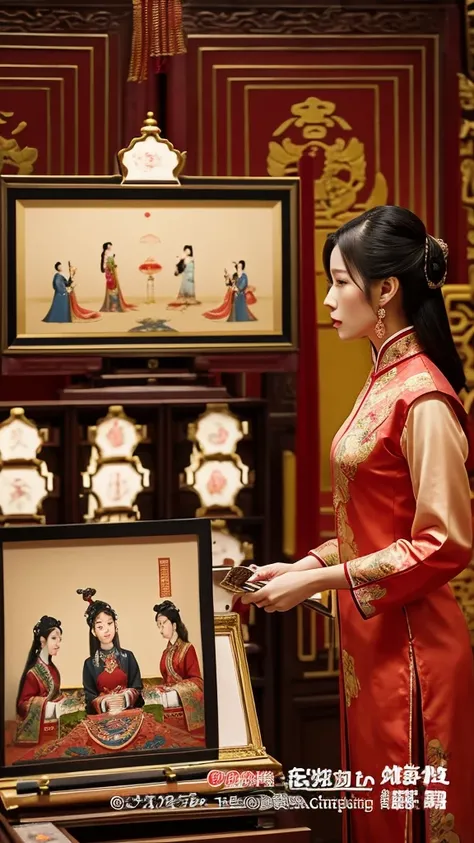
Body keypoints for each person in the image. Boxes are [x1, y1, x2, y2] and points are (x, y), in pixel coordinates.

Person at [242, 206, 474, 843]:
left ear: (386, 289)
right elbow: (370, 525)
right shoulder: (382, 382)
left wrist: (319, 583)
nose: (328, 298)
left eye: (340, 281)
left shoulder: (422, 396)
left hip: (415, 656)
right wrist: (305, 568)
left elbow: (443, 543)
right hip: (372, 649)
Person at [26, 589, 204, 760]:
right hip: (102, 719)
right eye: (100, 626)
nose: (106, 629)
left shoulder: (128, 657)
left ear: (116, 626)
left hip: (129, 714)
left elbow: (137, 687)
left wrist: (125, 698)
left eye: (110, 623)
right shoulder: (89, 664)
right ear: (93, 632)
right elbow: (90, 697)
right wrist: (105, 702)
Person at [151, 601, 204, 734]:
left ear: (174, 625)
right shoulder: (166, 652)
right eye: (159, 625)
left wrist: (175, 690)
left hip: (181, 698)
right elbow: (165, 679)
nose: (161, 629)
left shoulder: (187, 648)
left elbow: (197, 681)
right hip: (168, 697)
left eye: (163, 623)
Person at [15, 616, 65, 745]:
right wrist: (51, 706)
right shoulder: (33, 673)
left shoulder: (53, 669)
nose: (58, 644)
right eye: (54, 638)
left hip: (54, 725)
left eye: (59, 640)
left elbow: (56, 695)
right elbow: (22, 704)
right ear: (43, 640)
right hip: (39, 729)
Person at [100, 243, 136, 312]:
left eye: (110, 245)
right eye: (109, 245)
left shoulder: (110, 253)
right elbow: (105, 263)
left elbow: (111, 262)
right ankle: (112, 305)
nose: (110, 247)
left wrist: (113, 266)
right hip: (109, 270)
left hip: (112, 270)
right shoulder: (106, 254)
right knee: (111, 286)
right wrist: (109, 267)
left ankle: (115, 305)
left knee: (114, 286)